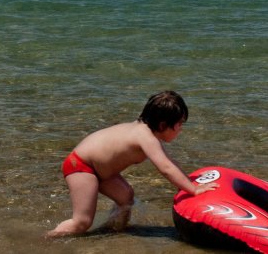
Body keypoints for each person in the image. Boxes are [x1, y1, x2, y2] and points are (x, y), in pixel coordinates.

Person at [46, 90, 217, 237]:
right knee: (82, 222)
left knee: (126, 197)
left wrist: (187, 182)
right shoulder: (144, 137)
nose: (181, 128)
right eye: (180, 124)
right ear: (163, 124)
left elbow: (170, 162)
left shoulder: (147, 132)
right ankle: (45, 240)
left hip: (101, 170)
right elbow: (166, 168)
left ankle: (114, 232)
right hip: (81, 166)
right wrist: (193, 190)